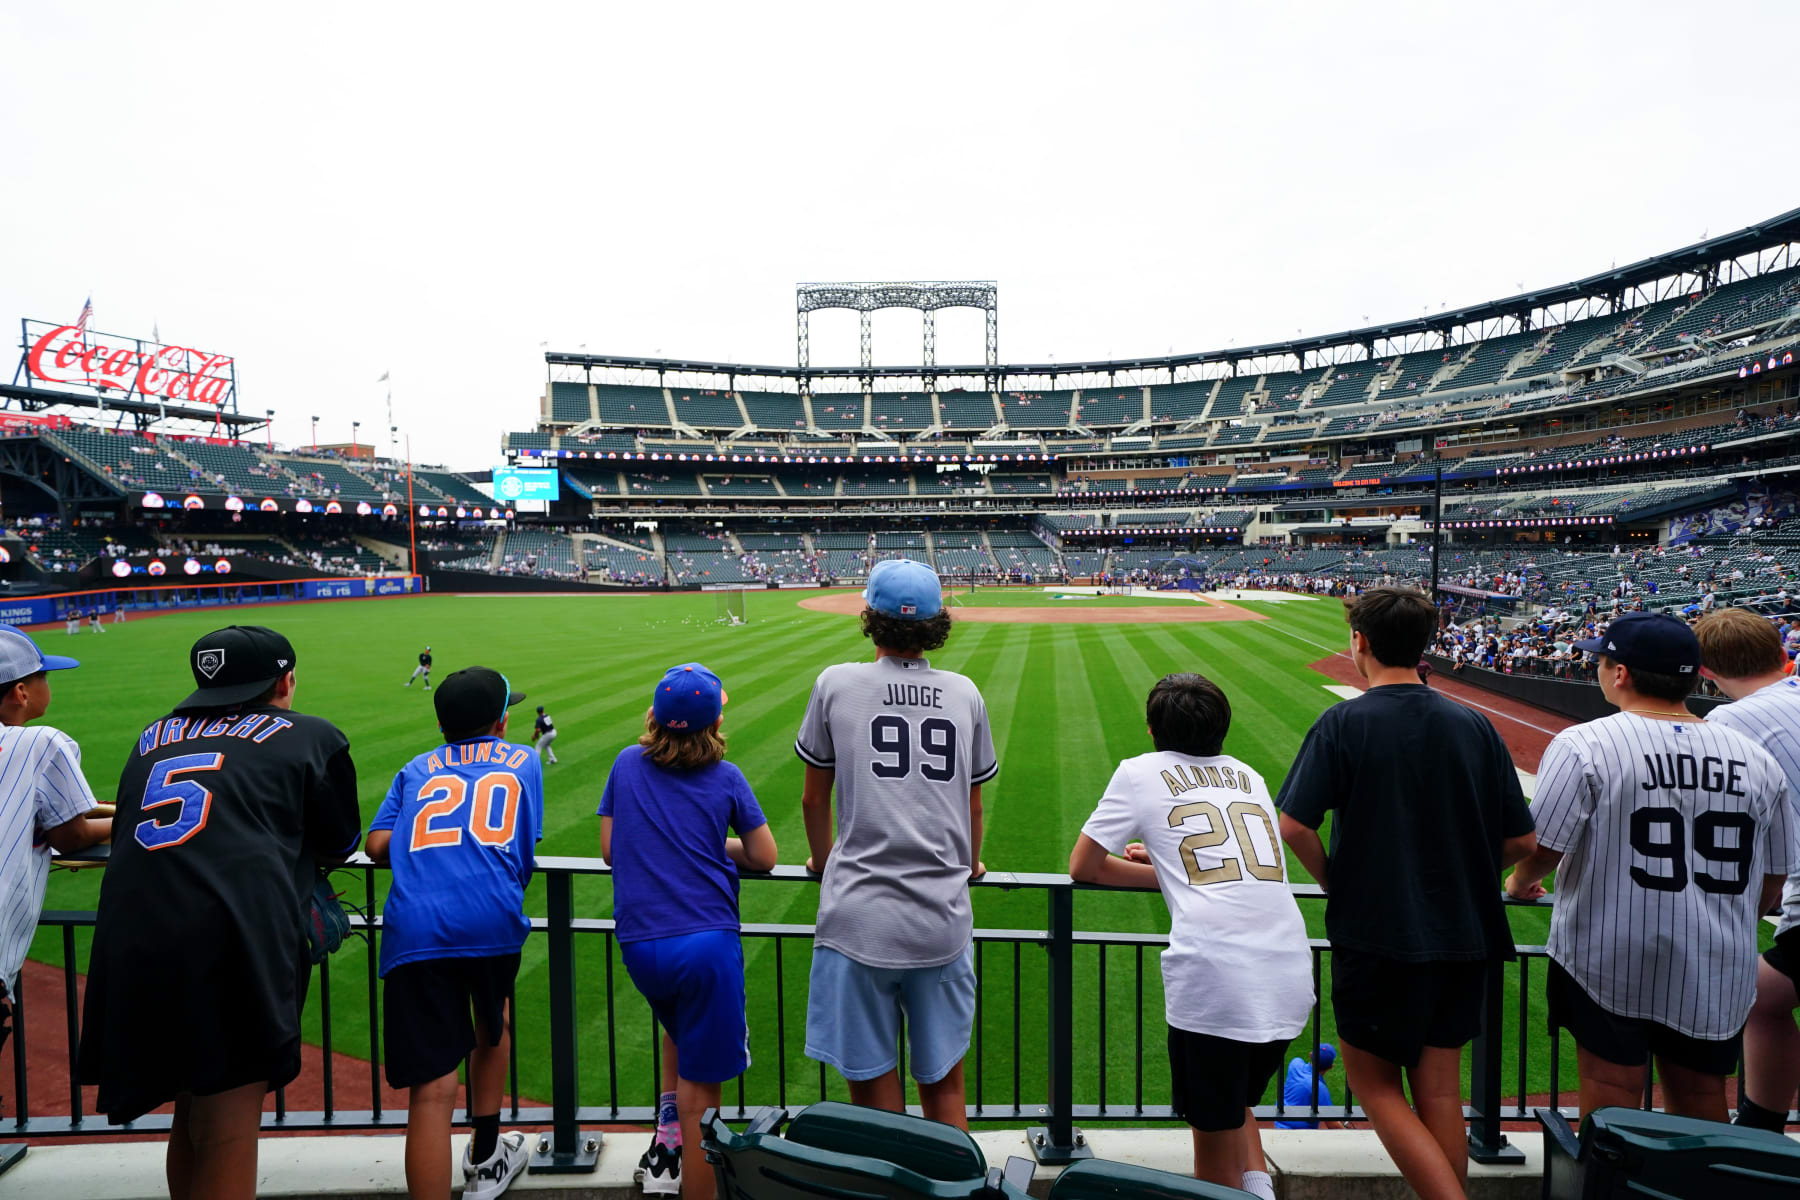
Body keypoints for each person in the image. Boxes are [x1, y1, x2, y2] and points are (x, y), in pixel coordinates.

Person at [78, 625, 362, 1200]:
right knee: (230, 1129)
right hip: (231, 938)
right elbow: (339, 842)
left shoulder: (152, 736)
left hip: (131, 940)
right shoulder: (311, 735)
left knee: (190, 1116)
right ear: (284, 680)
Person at [1278, 586, 1537, 1200]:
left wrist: (1336, 880)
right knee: (1441, 1091)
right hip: (1464, 933)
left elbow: (1293, 823)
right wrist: (1470, 869)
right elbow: (1522, 840)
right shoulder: (1474, 723)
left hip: (1378, 933)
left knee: (1376, 1088)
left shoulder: (1345, 721)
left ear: (1360, 642)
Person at [1507, 611, 1794, 1122]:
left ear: (1621, 674)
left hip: (1607, 953)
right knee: (1702, 1101)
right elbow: (1772, 882)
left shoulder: (1585, 743)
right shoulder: (1757, 758)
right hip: (1715, 958)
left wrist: (1520, 881)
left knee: (1610, 1096)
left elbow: (1543, 848)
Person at [1068, 673, 1308, 1200]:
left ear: (1153, 729)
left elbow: (1083, 865)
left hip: (1218, 980)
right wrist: (1171, 866)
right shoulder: (1248, 774)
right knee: (1236, 1105)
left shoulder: (1139, 771)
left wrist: (1164, 870)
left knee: (1212, 1158)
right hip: (1290, 972)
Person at [796, 558, 998, 1129]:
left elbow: (815, 799)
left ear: (870, 618)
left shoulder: (836, 683)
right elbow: (972, 804)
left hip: (858, 914)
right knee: (944, 1087)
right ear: (936, 623)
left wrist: (820, 859)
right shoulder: (963, 693)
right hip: (941, 916)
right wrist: (970, 862)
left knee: (874, 1104)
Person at [600, 664, 775, 1200]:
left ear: (654, 716)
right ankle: (691, 1177)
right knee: (704, 1100)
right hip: (705, 945)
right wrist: (715, 846)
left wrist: (694, 845)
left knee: (678, 1034)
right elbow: (764, 857)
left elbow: (610, 849)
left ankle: (665, 1145)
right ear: (716, 721)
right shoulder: (727, 776)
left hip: (639, 945)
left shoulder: (627, 763)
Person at [366, 666, 541, 1200]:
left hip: (415, 926)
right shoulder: (523, 760)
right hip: (491, 915)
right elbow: (524, 844)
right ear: (501, 720)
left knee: (432, 1090)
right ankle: (487, 1159)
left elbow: (375, 844)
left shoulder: (416, 767)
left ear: (442, 724)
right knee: (495, 1025)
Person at [0, 626, 111, 1094]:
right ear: (21, 692)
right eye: (44, 676)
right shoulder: (39, 742)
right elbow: (74, 833)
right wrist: (141, 817)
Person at [1275, 1044, 1339, 1131]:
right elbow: (1333, 1125)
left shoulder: (1295, 1064)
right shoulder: (1320, 1088)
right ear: (1330, 1067)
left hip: (1279, 1121)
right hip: (1301, 1133)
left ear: (1310, 1054)